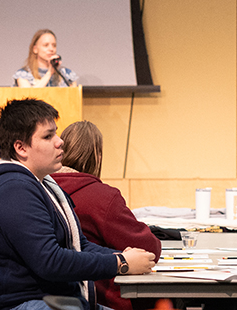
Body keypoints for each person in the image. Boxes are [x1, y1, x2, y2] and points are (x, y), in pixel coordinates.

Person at [0, 99, 156, 310]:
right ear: (21, 148)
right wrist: (121, 264)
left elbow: (79, 245)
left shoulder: (42, 184)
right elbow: (50, 262)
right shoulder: (13, 189)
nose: (59, 141)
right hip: (15, 304)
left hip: (44, 300)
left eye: (56, 133)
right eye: (48, 136)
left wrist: (123, 256)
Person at [51, 121, 162, 310]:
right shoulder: (103, 197)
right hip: (102, 299)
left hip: (52, 299)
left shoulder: (38, 189)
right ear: (98, 157)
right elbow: (149, 249)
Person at [14, 29, 79, 87]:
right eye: (46, 45)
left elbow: (73, 98)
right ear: (35, 49)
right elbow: (30, 96)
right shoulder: (24, 74)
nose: (51, 49)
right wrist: (49, 73)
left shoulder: (66, 74)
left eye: (54, 45)